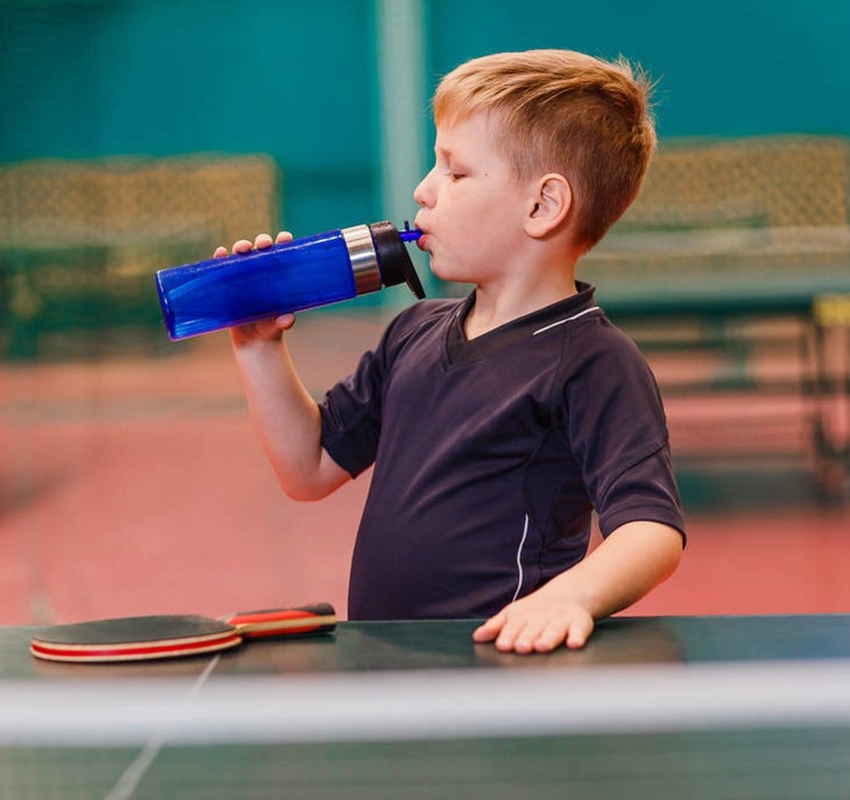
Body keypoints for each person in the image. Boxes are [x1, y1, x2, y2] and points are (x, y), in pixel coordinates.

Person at [218, 49, 685, 654]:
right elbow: (307, 468)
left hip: (493, 675)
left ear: (543, 206)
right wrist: (258, 348)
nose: (423, 189)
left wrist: (573, 595)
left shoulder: (592, 361)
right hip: (387, 667)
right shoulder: (412, 331)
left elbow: (651, 529)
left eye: (455, 172)